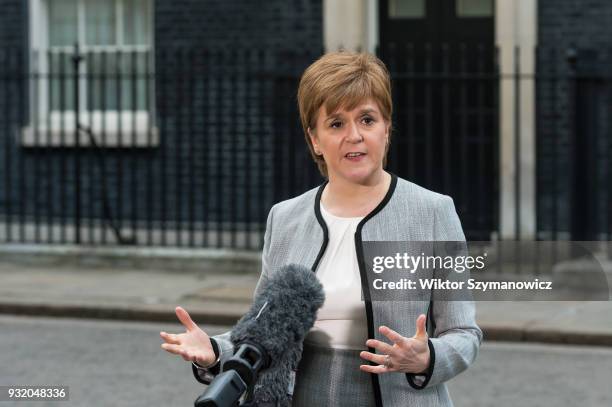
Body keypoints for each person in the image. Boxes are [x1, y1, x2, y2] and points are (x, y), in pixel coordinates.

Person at [160, 51, 482, 406]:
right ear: (314, 139)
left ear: (386, 129)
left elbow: (463, 333)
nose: (355, 136)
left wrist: (426, 358)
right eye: (336, 124)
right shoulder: (285, 219)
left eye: (367, 119)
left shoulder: (432, 212)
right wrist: (214, 350)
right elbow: (265, 334)